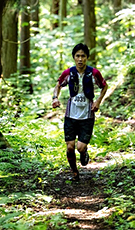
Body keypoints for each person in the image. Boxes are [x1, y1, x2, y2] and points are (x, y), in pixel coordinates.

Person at [52, 43, 108, 181]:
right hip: (70, 115)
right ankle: (75, 173)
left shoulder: (93, 73)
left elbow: (104, 86)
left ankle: (84, 154)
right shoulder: (68, 73)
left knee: (80, 148)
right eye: (77, 56)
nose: (80, 59)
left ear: (87, 57)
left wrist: (98, 102)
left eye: (83, 56)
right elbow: (58, 84)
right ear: (74, 57)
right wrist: (55, 98)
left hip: (87, 115)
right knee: (70, 147)